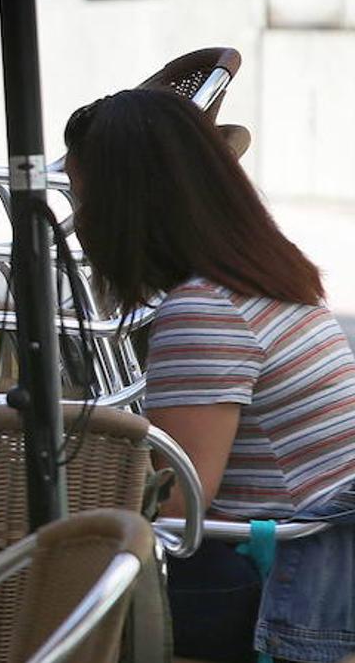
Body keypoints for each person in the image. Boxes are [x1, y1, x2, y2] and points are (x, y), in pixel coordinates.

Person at [63, 88, 355, 663]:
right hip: (329, 562)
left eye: (81, 196)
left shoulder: (204, 309)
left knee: (40, 571)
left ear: (125, 203)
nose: (77, 223)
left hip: (293, 589)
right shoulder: (267, 271)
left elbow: (179, 510)